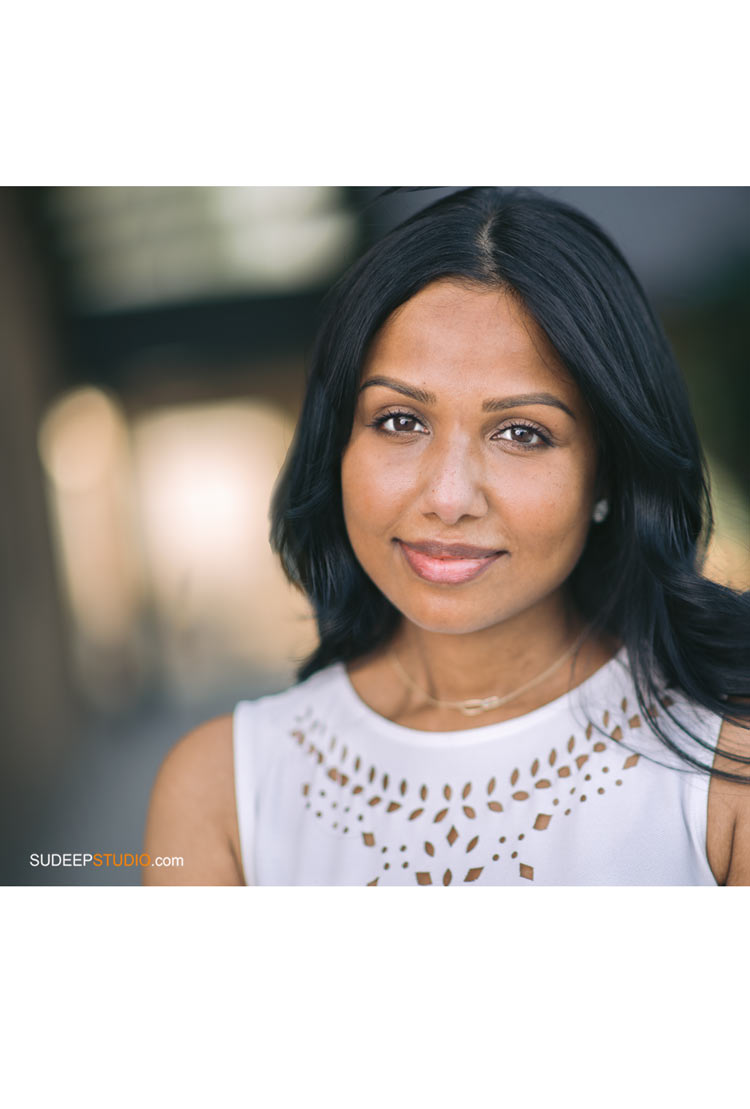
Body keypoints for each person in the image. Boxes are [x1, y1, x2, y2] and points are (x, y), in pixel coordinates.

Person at [142, 187, 750, 886]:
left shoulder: (725, 770)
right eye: (400, 420)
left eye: (522, 432)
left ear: (608, 474)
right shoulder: (222, 790)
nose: (448, 497)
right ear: (335, 444)